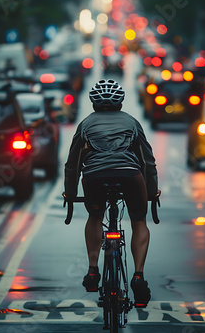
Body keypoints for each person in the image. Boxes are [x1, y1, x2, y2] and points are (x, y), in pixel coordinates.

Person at [64, 79, 159, 307]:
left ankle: (93, 271)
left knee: (95, 216)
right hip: (130, 176)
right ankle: (138, 276)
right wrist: (152, 193)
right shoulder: (132, 123)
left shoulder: (85, 125)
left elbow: (73, 165)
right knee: (138, 221)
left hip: (94, 177)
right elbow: (148, 163)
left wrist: (69, 193)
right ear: (121, 102)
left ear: (93, 102)